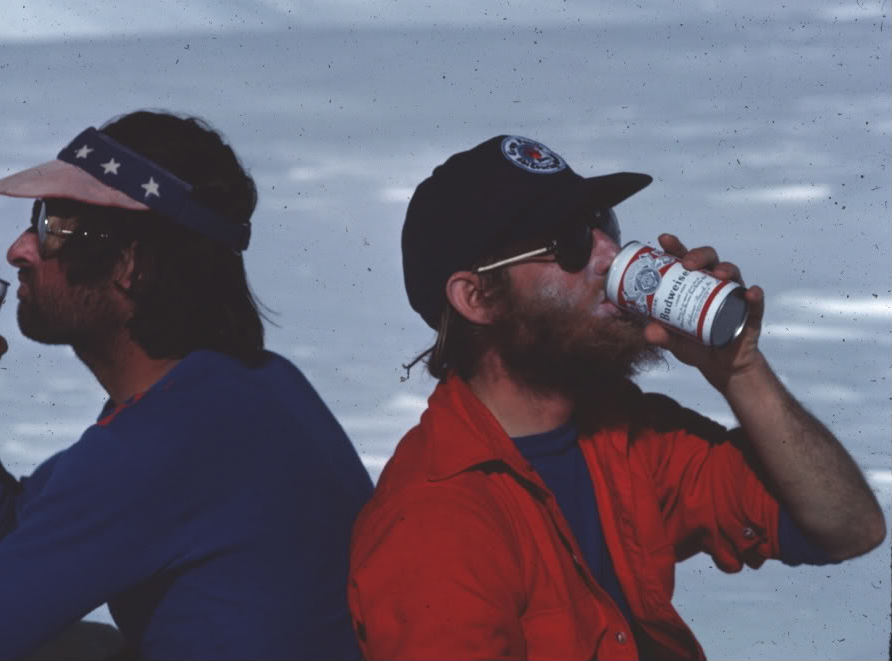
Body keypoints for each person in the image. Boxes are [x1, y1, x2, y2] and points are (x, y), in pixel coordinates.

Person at [346, 135, 886, 659]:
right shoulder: (434, 525)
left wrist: (740, 370)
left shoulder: (622, 437)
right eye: (570, 243)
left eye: (603, 224)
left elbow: (847, 528)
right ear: (477, 298)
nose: (610, 255)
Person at [0, 110, 374, 659]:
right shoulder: (248, 386)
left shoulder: (160, 446)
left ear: (132, 266)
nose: (20, 250)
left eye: (54, 226)